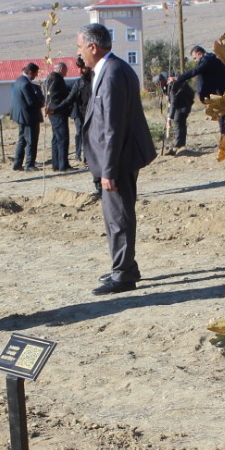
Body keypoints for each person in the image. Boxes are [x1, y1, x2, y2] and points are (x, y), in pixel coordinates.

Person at [77, 22, 157, 294]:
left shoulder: (112, 73)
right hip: (118, 157)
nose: (79, 53)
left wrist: (108, 171)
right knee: (117, 215)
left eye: (80, 47)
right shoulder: (113, 68)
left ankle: (123, 275)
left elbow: (113, 127)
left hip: (118, 160)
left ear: (93, 46)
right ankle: (125, 266)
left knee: (118, 217)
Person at [170, 44, 225, 142]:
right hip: (222, 91)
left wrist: (178, 78)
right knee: (221, 116)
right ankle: (224, 139)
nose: (195, 61)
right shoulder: (211, 60)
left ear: (200, 54)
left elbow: (196, 71)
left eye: (195, 58)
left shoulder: (208, 59)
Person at [9, 63, 43, 171]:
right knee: (31, 140)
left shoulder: (18, 81)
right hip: (28, 117)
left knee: (22, 140)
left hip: (20, 116)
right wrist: (41, 101)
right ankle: (29, 164)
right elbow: (31, 102)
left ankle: (17, 163)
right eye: (36, 73)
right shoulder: (26, 84)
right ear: (30, 72)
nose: (36, 75)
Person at [42, 62, 76, 171]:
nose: (66, 74)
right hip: (58, 112)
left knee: (56, 139)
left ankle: (56, 165)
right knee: (62, 139)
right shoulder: (57, 79)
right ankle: (63, 165)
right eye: (66, 70)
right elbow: (59, 96)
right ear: (61, 69)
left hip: (52, 112)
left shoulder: (49, 79)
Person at [164, 70, 195, 152]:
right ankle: (181, 144)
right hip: (186, 105)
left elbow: (173, 103)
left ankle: (178, 145)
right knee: (181, 124)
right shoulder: (177, 83)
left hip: (183, 106)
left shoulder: (173, 86)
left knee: (178, 123)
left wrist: (169, 118)